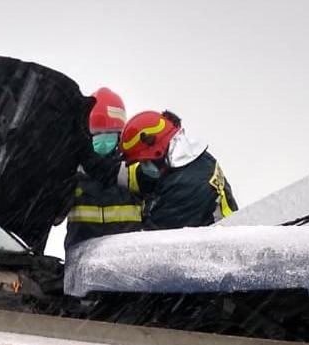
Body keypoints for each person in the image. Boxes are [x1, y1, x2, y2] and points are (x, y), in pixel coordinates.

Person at [118, 110, 237, 230]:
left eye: (144, 162)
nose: (143, 166)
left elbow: (151, 237)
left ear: (158, 153)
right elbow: (141, 177)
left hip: (211, 240)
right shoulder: (190, 159)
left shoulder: (187, 187)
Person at [64, 87, 144, 252]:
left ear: (120, 135)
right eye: (96, 134)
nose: (101, 140)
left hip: (127, 258)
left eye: (108, 133)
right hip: (82, 259)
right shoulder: (73, 172)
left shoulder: (133, 172)